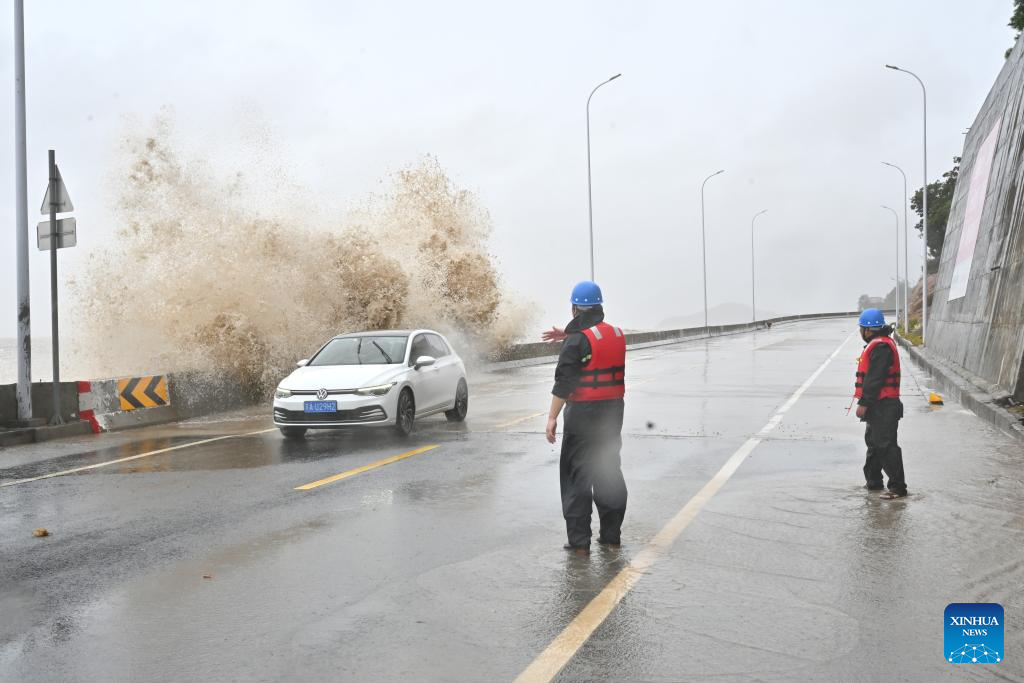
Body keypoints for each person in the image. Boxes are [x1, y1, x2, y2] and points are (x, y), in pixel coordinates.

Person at [544, 281, 628, 554]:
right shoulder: (617, 333)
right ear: (599, 306)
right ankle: (611, 537)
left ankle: (580, 544)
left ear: (574, 308)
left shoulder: (577, 340)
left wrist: (552, 418)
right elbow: (593, 341)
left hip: (583, 415)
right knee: (608, 469)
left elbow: (564, 383)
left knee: (576, 475)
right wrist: (569, 335)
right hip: (613, 413)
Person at [854, 308, 908, 499]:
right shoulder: (879, 344)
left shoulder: (880, 347)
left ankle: (898, 487)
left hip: (885, 405)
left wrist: (863, 404)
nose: (861, 332)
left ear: (868, 330)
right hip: (879, 406)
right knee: (874, 444)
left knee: (886, 445)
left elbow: (874, 379)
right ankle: (874, 482)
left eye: (861, 329)